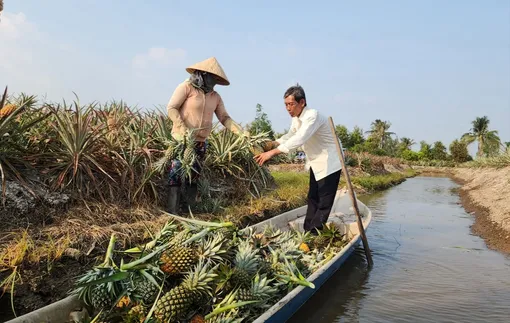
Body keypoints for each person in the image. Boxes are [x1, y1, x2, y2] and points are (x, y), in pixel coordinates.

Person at [254, 84, 342, 234]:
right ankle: (308, 230)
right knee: (313, 197)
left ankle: (315, 233)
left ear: (302, 103)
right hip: (316, 162)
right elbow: (290, 136)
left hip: (331, 160)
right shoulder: (297, 119)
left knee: (324, 201)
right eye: (286, 105)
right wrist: (273, 143)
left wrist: (273, 152)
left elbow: (300, 138)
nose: (288, 108)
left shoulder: (312, 116)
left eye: (291, 104)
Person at [166, 56, 245, 214]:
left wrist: (240, 132)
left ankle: (188, 210)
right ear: (202, 74)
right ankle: (172, 212)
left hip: (200, 143)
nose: (214, 83)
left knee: (193, 176)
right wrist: (182, 128)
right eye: (212, 78)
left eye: (216, 80)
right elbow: (172, 108)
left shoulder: (215, 97)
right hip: (182, 140)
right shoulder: (186, 87)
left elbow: (224, 118)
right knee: (176, 175)